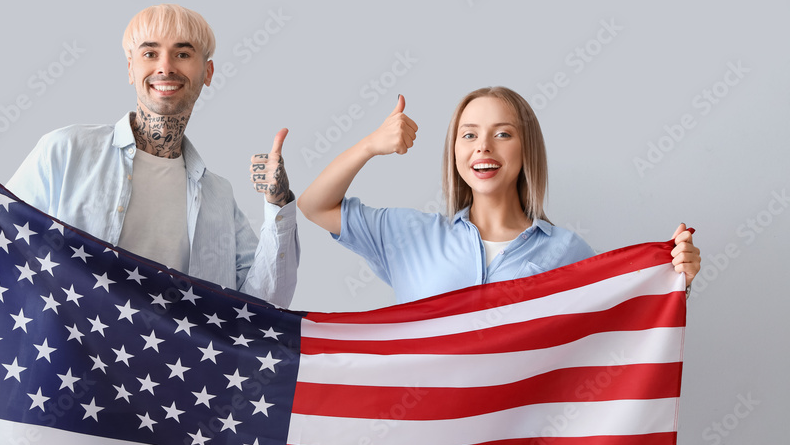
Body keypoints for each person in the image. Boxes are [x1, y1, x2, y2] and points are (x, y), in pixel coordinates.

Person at [0, 4, 299, 308]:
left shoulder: (218, 195)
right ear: (130, 68)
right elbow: (1, 250)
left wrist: (278, 202)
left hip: (175, 391)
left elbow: (263, 306)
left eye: (183, 53)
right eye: (150, 53)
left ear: (208, 72)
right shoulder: (67, 151)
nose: (165, 66)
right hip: (72, 380)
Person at [297, 86, 700, 304]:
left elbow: (617, 331)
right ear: (454, 151)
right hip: (426, 443)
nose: (483, 147)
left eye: (502, 133)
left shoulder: (567, 252)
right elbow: (315, 204)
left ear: (526, 150)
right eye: (469, 134)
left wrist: (674, 277)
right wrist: (370, 145)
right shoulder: (407, 235)